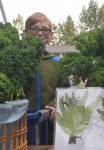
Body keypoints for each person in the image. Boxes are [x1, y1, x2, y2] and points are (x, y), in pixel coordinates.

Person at [24, 12, 59, 144]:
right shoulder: (19, 60)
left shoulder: (57, 62)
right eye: (34, 29)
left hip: (48, 123)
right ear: (26, 32)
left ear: (51, 35)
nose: (40, 33)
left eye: (45, 29)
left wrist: (55, 105)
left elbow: (65, 89)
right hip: (20, 124)